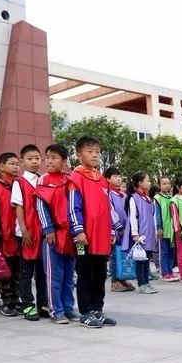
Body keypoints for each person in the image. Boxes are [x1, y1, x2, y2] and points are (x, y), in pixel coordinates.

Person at [68, 136, 119, 327]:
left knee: (99, 274)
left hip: (102, 237)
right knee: (85, 274)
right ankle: (86, 312)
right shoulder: (76, 178)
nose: (95, 155)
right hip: (85, 238)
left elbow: (108, 208)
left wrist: (112, 230)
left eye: (97, 151)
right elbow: (73, 207)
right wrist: (78, 230)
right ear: (79, 154)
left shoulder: (101, 179)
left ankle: (98, 309)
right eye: (90, 151)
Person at [37, 144, 81, 324]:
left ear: (64, 161)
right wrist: (48, 229)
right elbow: (41, 206)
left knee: (70, 276)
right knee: (54, 276)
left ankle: (69, 308)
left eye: (54, 157)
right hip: (53, 236)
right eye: (47, 157)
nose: (49, 160)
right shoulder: (43, 180)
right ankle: (56, 311)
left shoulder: (69, 180)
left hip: (70, 236)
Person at [13, 145, 49, 321]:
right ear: (22, 161)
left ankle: (43, 303)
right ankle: (27, 304)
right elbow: (19, 207)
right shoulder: (19, 182)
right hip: (26, 233)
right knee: (26, 271)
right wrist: (24, 230)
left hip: (42, 231)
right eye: (30, 158)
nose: (34, 161)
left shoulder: (42, 180)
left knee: (42, 271)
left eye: (37, 158)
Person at [0, 152, 22, 317]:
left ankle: (17, 298)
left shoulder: (20, 185)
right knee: (5, 268)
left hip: (19, 234)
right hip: (3, 234)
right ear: (1, 166)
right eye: (12, 163)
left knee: (18, 268)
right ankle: (7, 300)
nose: (16, 166)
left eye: (17, 164)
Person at [123, 172, 158, 294]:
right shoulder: (134, 198)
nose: (149, 183)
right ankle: (141, 284)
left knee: (147, 259)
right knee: (140, 260)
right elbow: (132, 217)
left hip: (148, 233)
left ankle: (147, 282)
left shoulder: (148, 199)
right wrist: (135, 234)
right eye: (147, 180)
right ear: (140, 183)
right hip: (140, 234)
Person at [105, 167, 134, 292]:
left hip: (126, 230)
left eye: (119, 176)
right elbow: (110, 212)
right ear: (108, 179)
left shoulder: (123, 194)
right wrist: (118, 227)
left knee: (124, 255)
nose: (118, 178)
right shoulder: (108, 194)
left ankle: (123, 278)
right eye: (115, 176)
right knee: (114, 255)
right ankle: (115, 281)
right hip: (115, 230)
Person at [153, 176, 177, 282]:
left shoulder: (172, 198)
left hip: (172, 229)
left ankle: (170, 271)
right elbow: (157, 215)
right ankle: (164, 273)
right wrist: (159, 228)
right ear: (159, 185)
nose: (167, 185)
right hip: (163, 229)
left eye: (168, 183)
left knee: (172, 251)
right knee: (164, 252)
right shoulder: (157, 199)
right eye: (164, 184)